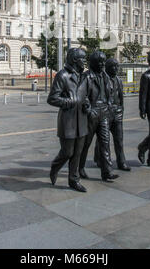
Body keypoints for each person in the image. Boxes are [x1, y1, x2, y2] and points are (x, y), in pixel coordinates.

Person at [48, 48, 89, 193]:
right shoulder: (62, 75)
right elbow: (52, 98)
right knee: (67, 152)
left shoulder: (83, 77)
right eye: (82, 58)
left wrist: (86, 103)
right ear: (74, 60)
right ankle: (55, 166)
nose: (84, 61)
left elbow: (85, 95)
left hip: (82, 120)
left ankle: (74, 180)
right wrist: (69, 102)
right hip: (68, 121)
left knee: (77, 153)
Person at [79, 51, 119, 182]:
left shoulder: (105, 76)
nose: (102, 64)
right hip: (92, 114)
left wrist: (108, 104)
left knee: (105, 142)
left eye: (103, 61)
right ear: (93, 63)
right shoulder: (86, 77)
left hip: (104, 113)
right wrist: (89, 109)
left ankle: (107, 171)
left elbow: (110, 92)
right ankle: (79, 168)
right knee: (86, 144)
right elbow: (81, 95)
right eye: (100, 61)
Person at [94, 58, 131, 172]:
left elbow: (120, 96)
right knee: (103, 139)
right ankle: (101, 159)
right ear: (108, 67)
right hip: (105, 112)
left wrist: (121, 108)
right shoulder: (102, 79)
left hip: (117, 112)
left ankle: (121, 161)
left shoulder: (119, 80)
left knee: (119, 139)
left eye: (117, 66)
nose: (116, 68)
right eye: (113, 66)